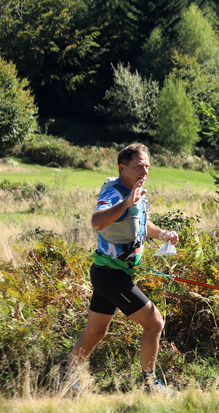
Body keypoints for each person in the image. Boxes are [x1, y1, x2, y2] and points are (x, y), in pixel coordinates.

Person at [61, 144, 179, 395]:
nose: (144, 171)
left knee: (96, 331)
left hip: (112, 273)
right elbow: (97, 221)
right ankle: (150, 386)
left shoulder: (136, 191)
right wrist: (127, 201)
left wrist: (163, 234)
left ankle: (66, 383)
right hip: (111, 276)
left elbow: (141, 224)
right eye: (138, 166)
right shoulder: (115, 193)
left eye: (147, 166)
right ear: (122, 168)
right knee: (155, 323)